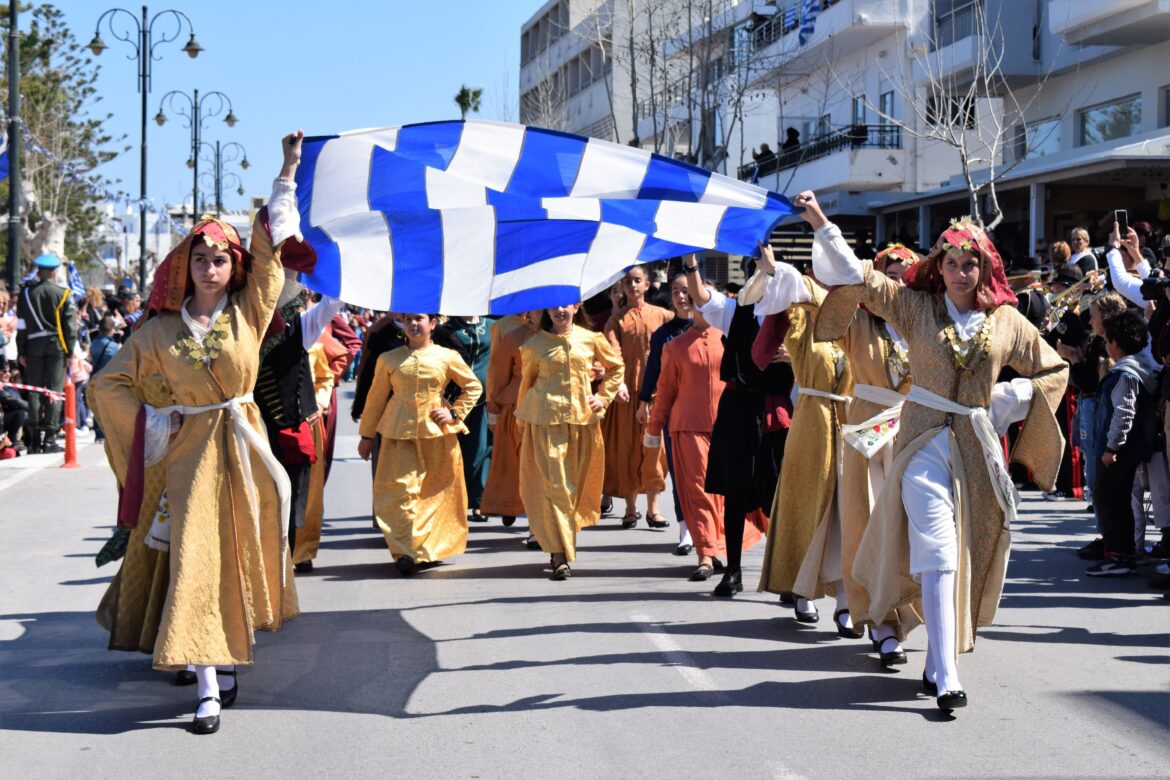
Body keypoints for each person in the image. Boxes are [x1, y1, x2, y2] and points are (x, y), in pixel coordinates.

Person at [799, 190, 1068, 712]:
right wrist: (823, 223)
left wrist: (1013, 395)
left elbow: (1054, 369)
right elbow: (862, 276)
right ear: (937, 267)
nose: (962, 273)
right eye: (952, 263)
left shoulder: (1008, 321)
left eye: (972, 264)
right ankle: (946, 673)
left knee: (964, 553)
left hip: (974, 451)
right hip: (920, 441)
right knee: (939, 552)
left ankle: (935, 659)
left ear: (985, 267)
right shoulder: (914, 306)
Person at [88, 132, 306, 735]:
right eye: (201, 259)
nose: (211, 269)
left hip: (245, 450)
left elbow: (271, 250)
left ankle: (226, 652)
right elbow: (107, 386)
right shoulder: (157, 333)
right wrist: (157, 420)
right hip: (188, 460)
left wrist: (286, 168)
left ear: (234, 267)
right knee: (196, 561)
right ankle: (208, 685)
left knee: (238, 560)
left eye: (221, 260)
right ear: (184, 265)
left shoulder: (249, 313)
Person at [811, 243, 921, 667]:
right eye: (888, 275)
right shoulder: (856, 320)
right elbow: (829, 285)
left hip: (912, 433)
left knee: (910, 532)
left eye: (903, 277)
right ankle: (881, 622)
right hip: (869, 434)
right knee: (872, 527)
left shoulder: (921, 324)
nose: (896, 284)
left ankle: (908, 613)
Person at [750, 245, 855, 633]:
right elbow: (788, 291)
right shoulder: (801, 319)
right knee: (810, 508)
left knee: (849, 514)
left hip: (852, 424)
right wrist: (775, 268)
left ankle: (846, 601)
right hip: (812, 424)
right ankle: (803, 591)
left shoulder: (856, 322)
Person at [687, 254, 795, 597]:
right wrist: (691, 265)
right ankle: (732, 571)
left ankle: (786, 578)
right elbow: (702, 297)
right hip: (738, 409)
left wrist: (796, 355)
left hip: (776, 412)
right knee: (735, 494)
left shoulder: (796, 317)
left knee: (778, 497)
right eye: (760, 276)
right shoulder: (737, 311)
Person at [357, 313, 482, 575]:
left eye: (420, 319)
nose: (414, 324)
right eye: (409, 320)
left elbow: (473, 386)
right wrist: (367, 436)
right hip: (397, 433)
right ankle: (404, 551)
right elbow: (376, 398)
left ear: (432, 324)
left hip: (436, 433)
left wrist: (454, 412)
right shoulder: (388, 358)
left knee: (432, 494)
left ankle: (424, 550)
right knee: (400, 492)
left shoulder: (446, 356)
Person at [645, 293, 758, 579]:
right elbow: (666, 391)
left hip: (729, 426)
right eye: (696, 301)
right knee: (698, 491)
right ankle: (705, 554)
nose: (701, 306)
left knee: (727, 493)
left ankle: (720, 546)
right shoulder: (675, 347)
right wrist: (653, 428)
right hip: (688, 428)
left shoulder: (730, 338)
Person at [516, 304, 624, 580]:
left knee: (572, 489)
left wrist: (602, 397)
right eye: (554, 306)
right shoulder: (534, 345)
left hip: (582, 422)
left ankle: (562, 544)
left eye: (565, 304)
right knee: (556, 487)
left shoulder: (591, 339)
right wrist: (521, 422)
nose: (560, 310)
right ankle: (559, 554)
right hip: (545, 422)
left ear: (576, 307)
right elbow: (526, 384)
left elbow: (615, 368)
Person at [1085, 309, 1159, 576]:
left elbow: (1124, 413)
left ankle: (1118, 557)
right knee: (1118, 499)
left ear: (1115, 343)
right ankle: (1124, 554)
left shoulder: (1126, 374)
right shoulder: (1136, 369)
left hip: (1117, 452)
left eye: (1108, 341)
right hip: (1124, 450)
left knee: (1107, 499)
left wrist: (1111, 448)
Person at [602, 266, 674, 528]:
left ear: (646, 285)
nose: (633, 286)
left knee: (655, 450)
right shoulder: (616, 320)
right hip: (627, 396)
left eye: (637, 281)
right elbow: (612, 356)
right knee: (628, 450)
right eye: (628, 281)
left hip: (657, 393)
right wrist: (618, 384)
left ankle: (654, 510)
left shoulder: (664, 316)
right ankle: (630, 509)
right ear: (622, 286)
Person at [638, 274, 698, 555]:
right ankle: (686, 530)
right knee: (679, 472)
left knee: (706, 475)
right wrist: (643, 402)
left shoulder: (714, 330)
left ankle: (707, 529)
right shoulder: (664, 334)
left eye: (686, 291)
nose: (681, 297)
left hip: (707, 414)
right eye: (676, 291)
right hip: (675, 413)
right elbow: (652, 371)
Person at [481, 311, 540, 531]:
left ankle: (537, 521)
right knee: (513, 463)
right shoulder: (506, 329)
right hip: (515, 405)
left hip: (547, 408)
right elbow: (496, 371)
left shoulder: (559, 332)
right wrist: (493, 409)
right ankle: (510, 505)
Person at [434, 315, 496, 520]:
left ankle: (480, 500)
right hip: (454, 397)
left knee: (482, 449)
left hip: (485, 395)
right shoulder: (447, 328)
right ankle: (453, 500)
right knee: (455, 450)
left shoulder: (492, 326)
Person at [16, 253, 78, 454]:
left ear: (39, 270)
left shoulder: (26, 294)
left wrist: (21, 350)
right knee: (53, 390)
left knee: (34, 390)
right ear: (54, 271)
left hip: (33, 345)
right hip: (56, 346)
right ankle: (50, 438)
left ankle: (34, 439)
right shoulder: (63, 293)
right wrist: (70, 351)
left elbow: (21, 325)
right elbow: (70, 327)